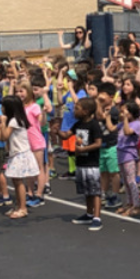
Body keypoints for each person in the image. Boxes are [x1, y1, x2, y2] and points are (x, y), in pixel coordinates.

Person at [58, 97, 103, 230]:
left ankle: (97, 217)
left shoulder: (94, 125)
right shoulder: (78, 124)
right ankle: (89, 214)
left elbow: (98, 143)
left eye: (77, 108)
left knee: (95, 191)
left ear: (86, 111)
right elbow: (66, 136)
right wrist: (57, 131)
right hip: (81, 162)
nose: (74, 110)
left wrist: (83, 149)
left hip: (91, 163)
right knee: (87, 190)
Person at [0, 95, 41, 220]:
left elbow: (4, 136)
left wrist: (3, 122)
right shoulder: (12, 121)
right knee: (15, 182)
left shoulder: (14, 121)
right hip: (15, 155)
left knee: (19, 182)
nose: (1, 108)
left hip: (21, 154)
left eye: (3, 106)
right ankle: (18, 206)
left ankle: (23, 208)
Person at [96, 82, 122, 210]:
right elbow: (97, 116)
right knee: (103, 172)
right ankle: (104, 194)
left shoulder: (114, 110)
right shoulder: (100, 108)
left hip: (112, 144)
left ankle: (115, 195)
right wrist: (99, 104)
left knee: (113, 172)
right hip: (102, 145)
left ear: (111, 97)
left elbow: (105, 121)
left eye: (103, 96)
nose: (100, 98)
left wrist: (99, 105)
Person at [115, 101, 140, 216]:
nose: (123, 114)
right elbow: (112, 128)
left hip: (129, 154)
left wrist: (125, 119)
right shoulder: (123, 123)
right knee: (125, 181)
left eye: (125, 111)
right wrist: (107, 117)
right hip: (120, 153)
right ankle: (129, 203)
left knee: (131, 180)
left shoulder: (136, 123)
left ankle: (136, 205)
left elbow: (127, 133)